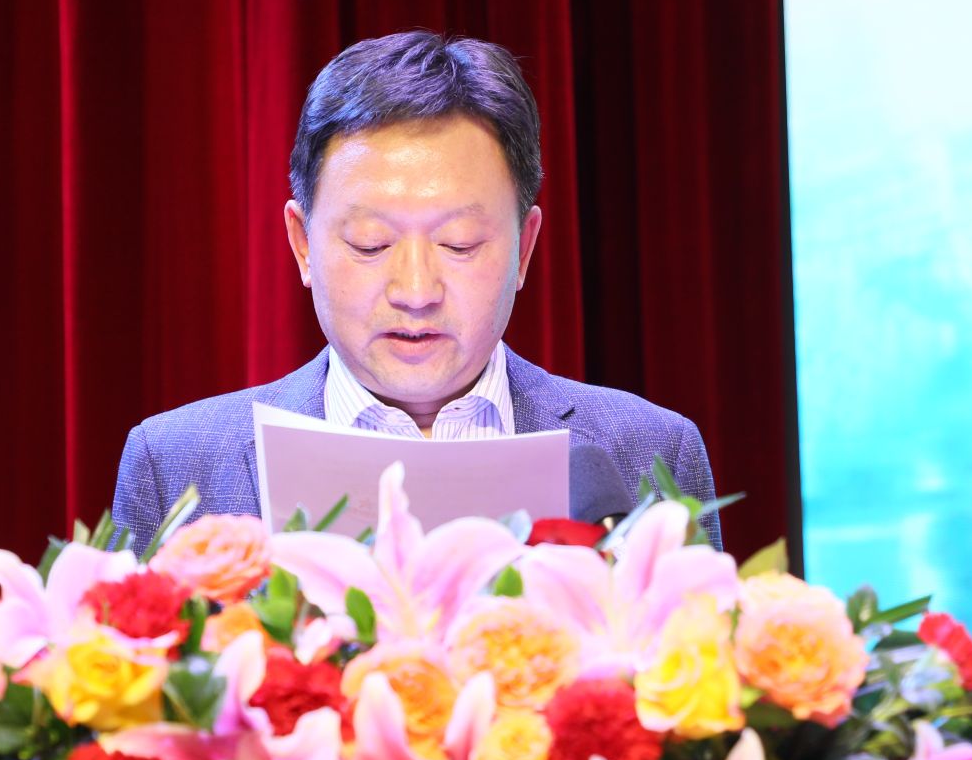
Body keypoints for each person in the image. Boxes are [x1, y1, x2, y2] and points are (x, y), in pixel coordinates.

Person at [109, 30, 721, 549]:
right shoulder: (176, 465)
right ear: (302, 243)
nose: (416, 291)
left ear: (525, 246)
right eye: (371, 244)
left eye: (459, 243)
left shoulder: (649, 451)